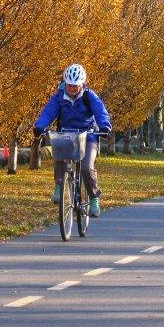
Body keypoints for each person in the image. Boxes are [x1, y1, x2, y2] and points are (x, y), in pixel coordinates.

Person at [33, 64, 112, 217]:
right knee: (59, 157)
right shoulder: (60, 97)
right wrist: (40, 126)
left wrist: (104, 127)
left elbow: (100, 111)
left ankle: (94, 197)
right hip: (67, 134)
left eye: (76, 86)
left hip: (88, 135)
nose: (73, 89)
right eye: (70, 85)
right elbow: (49, 112)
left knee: (86, 167)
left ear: (82, 84)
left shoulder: (89, 96)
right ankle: (59, 185)